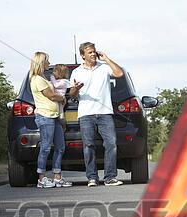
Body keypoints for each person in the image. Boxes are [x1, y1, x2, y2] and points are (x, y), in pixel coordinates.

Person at [69, 42, 124, 187]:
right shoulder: (76, 72)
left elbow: (119, 73)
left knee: (111, 144)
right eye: (89, 52)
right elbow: (72, 95)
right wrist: (75, 89)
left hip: (105, 113)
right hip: (86, 114)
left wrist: (106, 58)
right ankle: (92, 178)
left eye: (94, 52)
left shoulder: (104, 67)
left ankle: (110, 177)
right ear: (83, 55)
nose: (93, 54)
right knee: (88, 145)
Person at [29, 52, 72, 188]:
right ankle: (41, 179)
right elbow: (52, 96)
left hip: (54, 117)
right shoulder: (37, 79)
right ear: (41, 62)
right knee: (46, 148)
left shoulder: (44, 78)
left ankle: (57, 177)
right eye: (47, 60)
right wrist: (63, 98)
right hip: (45, 116)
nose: (49, 63)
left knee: (60, 147)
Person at [50, 64, 71, 131]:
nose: (53, 73)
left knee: (61, 116)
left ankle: (63, 127)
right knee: (58, 115)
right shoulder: (57, 81)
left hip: (59, 99)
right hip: (55, 100)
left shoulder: (64, 82)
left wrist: (51, 77)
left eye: (54, 71)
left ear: (60, 73)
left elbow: (56, 85)